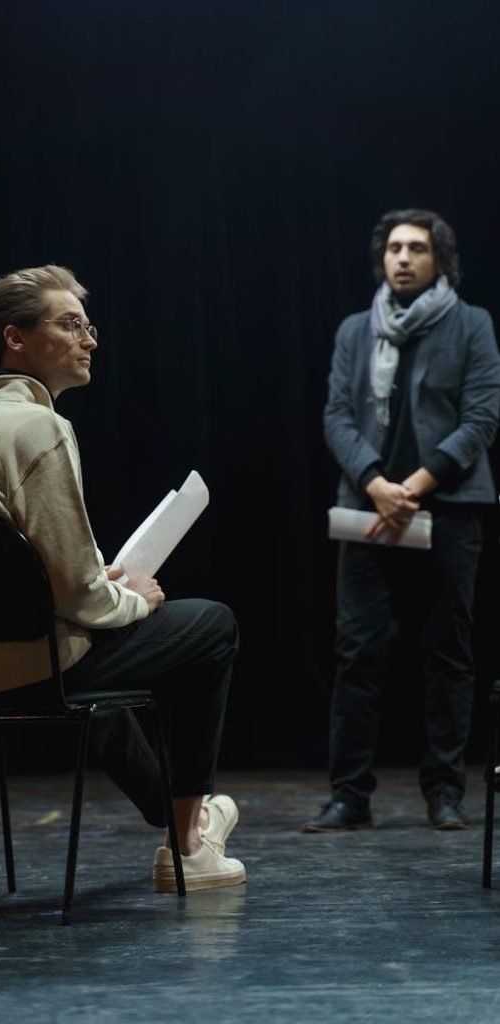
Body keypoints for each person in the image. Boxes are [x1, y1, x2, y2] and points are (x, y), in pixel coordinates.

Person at [0, 264, 246, 892]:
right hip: (27, 668)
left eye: (89, 327)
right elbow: (80, 598)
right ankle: (190, 845)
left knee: (94, 648)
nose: (89, 340)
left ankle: (181, 822)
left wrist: (95, 590)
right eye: (70, 325)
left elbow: (6, 579)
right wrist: (131, 598)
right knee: (210, 625)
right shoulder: (41, 428)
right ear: (16, 338)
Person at [302, 209, 500, 833]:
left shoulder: (471, 324)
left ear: (440, 259)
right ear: (382, 258)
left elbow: (482, 417)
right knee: (357, 654)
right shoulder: (356, 330)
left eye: (417, 247)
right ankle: (349, 796)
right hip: (369, 510)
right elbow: (336, 416)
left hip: (448, 508)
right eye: (394, 248)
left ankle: (445, 792)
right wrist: (376, 484)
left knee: (448, 653)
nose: (403, 258)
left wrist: (412, 486)